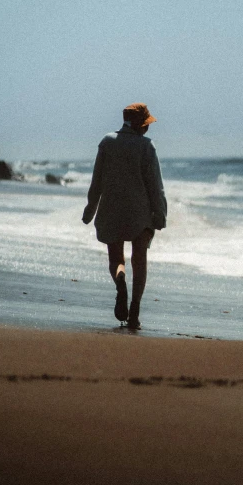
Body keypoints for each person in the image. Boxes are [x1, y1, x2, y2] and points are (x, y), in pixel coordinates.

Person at [82, 103, 167, 329]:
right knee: (139, 261)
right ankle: (135, 312)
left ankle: (120, 280)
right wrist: (160, 214)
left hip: (111, 209)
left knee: (116, 260)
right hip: (140, 213)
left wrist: (90, 210)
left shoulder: (107, 143)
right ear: (140, 125)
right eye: (146, 124)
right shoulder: (147, 147)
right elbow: (155, 186)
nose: (148, 129)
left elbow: (96, 181)